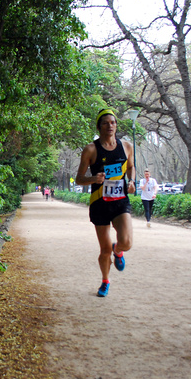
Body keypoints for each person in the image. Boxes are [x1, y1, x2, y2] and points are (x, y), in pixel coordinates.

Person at [75, 108, 135, 297]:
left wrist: (132, 181)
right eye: (105, 123)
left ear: (116, 126)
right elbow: (79, 179)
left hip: (120, 202)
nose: (110, 126)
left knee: (126, 242)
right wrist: (94, 179)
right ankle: (105, 281)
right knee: (104, 249)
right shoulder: (91, 149)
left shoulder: (126, 146)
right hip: (100, 203)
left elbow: (131, 167)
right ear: (99, 127)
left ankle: (119, 251)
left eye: (113, 122)